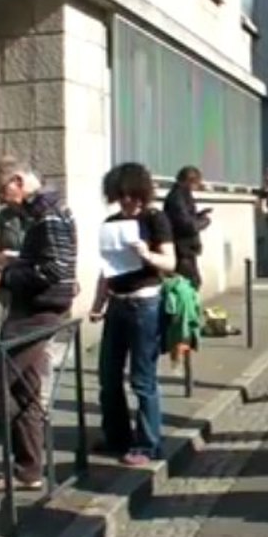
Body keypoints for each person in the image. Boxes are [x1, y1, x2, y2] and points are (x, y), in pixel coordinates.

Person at [0, 159, 78, 491]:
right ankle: (29, 470)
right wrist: (16, 262)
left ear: (18, 181)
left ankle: (25, 462)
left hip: (36, 312)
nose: (3, 202)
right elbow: (53, 265)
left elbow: (53, 271)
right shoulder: (51, 210)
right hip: (37, 309)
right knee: (26, 391)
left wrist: (4, 274)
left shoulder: (46, 215)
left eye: (3, 193)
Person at [90, 163, 176, 466]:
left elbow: (170, 262)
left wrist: (146, 253)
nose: (128, 201)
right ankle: (116, 436)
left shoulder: (155, 219)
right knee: (108, 375)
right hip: (118, 302)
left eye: (132, 195)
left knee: (142, 378)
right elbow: (107, 269)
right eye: (122, 195)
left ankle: (149, 444)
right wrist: (98, 303)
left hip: (145, 303)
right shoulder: (111, 222)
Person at [0, 156, 30, 315]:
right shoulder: (4, 218)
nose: (0, 200)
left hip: (37, 295)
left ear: (17, 182)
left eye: (1, 191)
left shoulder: (41, 213)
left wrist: (18, 257)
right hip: (11, 296)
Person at [163, 165, 210, 289]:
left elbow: (185, 217)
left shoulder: (182, 195)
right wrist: (203, 221)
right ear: (190, 181)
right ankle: (187, 308)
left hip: (186, 248)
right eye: (196, 183)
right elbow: (185, 224)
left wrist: (199, 215)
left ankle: (189, 307)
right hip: (182, 248)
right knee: (190, 284)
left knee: (192, 282)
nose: (197, 187)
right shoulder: (178, 196)